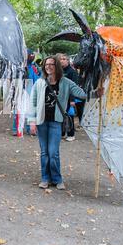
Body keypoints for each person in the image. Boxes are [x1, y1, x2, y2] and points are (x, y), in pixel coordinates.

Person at [29, 56, 86, 190]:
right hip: (41, 122)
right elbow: (33, 102)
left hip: (56, 122)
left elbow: (82, 94)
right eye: (46, 64)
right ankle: (45, 178)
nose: (48, 66)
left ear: (57, 67)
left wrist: (95, 89)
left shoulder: (65, 82)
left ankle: (57, 178)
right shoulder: (40, 82)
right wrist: (32, 121)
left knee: (53, 152)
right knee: (44, 152)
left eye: (52, 64)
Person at [13, 48, 40, 136]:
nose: (32, 56)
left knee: (30, 110)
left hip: (30, 90)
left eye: (32, 55)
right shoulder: (17, 67)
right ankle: (16, 129)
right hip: (19, 90)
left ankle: (30, 129)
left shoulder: (33, 67)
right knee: (18, 110)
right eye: (30, 55)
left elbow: (36, 79)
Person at [59, 53, 80, 141]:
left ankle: (71, 134)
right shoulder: (59, 71)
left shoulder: (72, 72)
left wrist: (72, 100)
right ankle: (62, 133)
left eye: (64, 59)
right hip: (60, 97)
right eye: (61, 59)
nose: (62, 60)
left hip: (69, 98)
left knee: (69, 116)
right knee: (60, 116)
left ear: (68, 61)